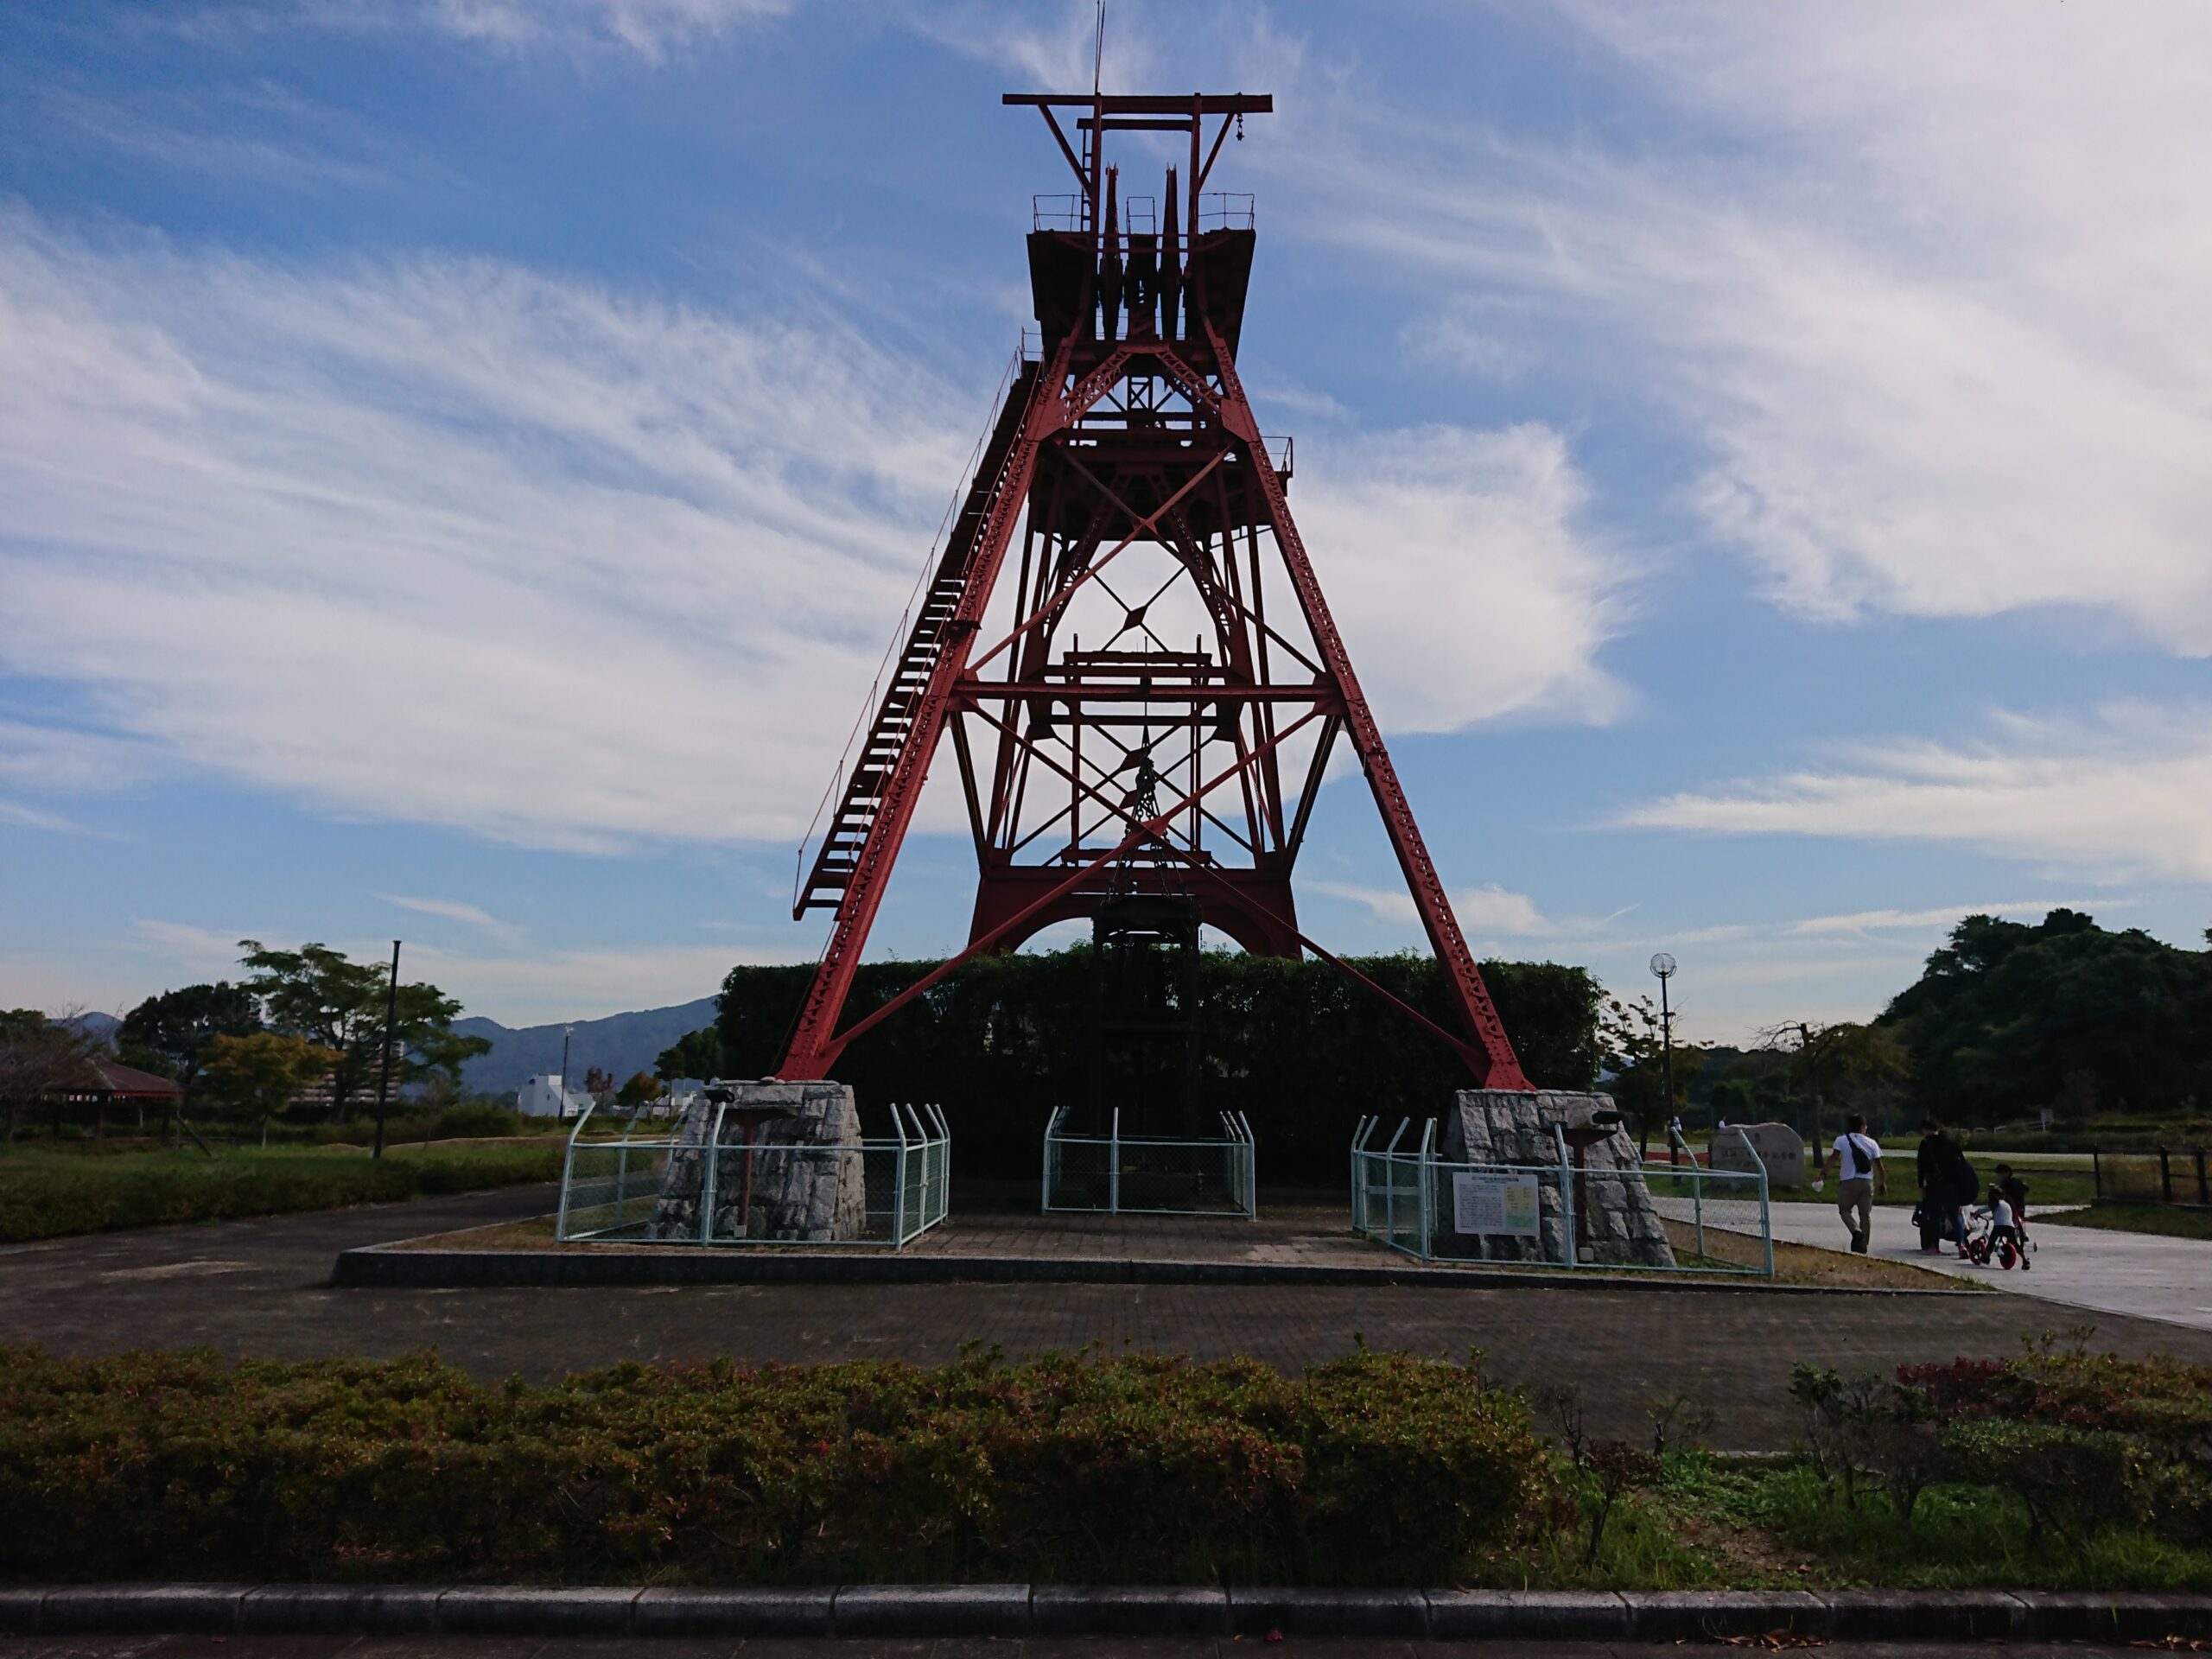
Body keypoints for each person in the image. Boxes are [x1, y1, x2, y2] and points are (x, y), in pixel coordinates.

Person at [1831, 1113, 1887, 1254]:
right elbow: (1879, 1165)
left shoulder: (1841, 1140)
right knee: (1865, 1215)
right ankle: (1863, 1246)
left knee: (1844, 1210)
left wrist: (1823, 1173)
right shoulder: (1872, 1142)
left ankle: (1856, 1231)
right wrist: (1882, 1182)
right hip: (1867, 1181)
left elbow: (1833, 1158)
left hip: (1848, 1180)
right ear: (1862, 1127)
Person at [1916, 1118, 1969, 1256]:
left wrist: (1921, 1186)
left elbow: (1921, 1168)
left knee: (1934, 1215)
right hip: (1952, 1185)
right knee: (1954, 1215)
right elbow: (1962, 1166)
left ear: (1925, 1130)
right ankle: (1961, 1244)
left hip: (1934, 1185)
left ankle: (1934, 1246)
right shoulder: (1951, 1143)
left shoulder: (1926, 1144)